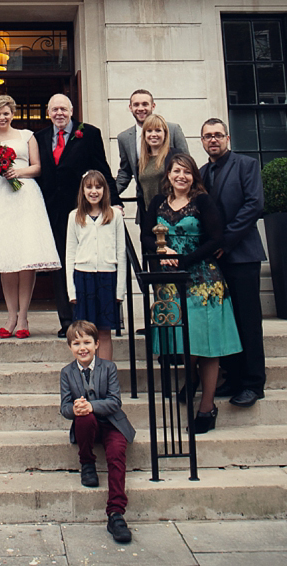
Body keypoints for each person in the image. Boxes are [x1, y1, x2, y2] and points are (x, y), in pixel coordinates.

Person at [141, 154, 242, 433]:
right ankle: (192, 378)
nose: (181, 176)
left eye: (186, 172)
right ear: (169, 175)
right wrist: (163, 251)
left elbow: (216, 238)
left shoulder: (202, 202)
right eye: (176, 171)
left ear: (193, 176)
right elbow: (146, 236)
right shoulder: (158, 203)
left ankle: (207, 408)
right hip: (171, 283)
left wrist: (186, 259)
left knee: (207, 345)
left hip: (203, 281)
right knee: (187, 341)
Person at [0, 95, 60, 338]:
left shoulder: (27, 136)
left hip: (25, 195)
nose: (2, 117)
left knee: (25, 256)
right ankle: (11, 315)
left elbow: (38, 166)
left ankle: (23, 317)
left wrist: (16, 171)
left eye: (6, 112)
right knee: (5, 258)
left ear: (13, 113)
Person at [36, 93, 121, 337]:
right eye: (54, 110)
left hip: (84, 211)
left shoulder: (89, 133)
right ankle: (67, 321)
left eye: (63, 109)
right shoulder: (40, 137)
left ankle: (90, 318)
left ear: (72, 110)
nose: (59, 113)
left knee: (83, 261)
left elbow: (102, 169)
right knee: (60, 263)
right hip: (52, 211)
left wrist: (114, 202)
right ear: (48, 113)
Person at [200, 119, 266, 407]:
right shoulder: (201, 173)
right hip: (216, 262)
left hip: (242, 255)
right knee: (225, 323)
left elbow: (254, 205)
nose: (213, 140)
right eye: (207, 136)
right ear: (202, 141)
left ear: (227, 137)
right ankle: (234, 378)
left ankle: (253, 383)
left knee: (248, 321)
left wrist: (225, 242)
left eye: (217, 135)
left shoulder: (246, 165)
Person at [60, 321, 135, 544]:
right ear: (70, 347)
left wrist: (93, 406)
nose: (82, 348)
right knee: (83, 418)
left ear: (97, 344)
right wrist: (74, 409)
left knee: (116, 454)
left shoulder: (108, 368)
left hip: (112, 423)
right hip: (88, 423)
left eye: (87, 342)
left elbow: (115, 402)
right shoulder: (66, 373)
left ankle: (116, 513)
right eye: (76, 343)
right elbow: (64, 407)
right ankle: (87, 462)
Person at [66, 171, 126, 361]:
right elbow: (70, 253)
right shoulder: (74, 216)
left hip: (107, 278)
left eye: (98, 187)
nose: (94, 191)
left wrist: (120, 290)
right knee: (84, 333)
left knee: (104, 332)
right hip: (83, 278)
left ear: (104, 190)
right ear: (83, 190)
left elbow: (121, 253)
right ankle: (87, 378)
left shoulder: (114, 215)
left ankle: (105, 378)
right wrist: (71, 290)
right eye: (89, 187)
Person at [116, 89, 189, 214]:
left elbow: (187, 165)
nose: (140, 108)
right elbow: (125, 172)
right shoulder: (124, 138)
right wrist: (109, 195)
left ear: (153, 106)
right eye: (136, 105)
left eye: (145, 104)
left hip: (175, 205)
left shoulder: (173, 129)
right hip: (146, 207)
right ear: (130, 107)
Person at [137, 114, 182, 220]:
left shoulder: (175, 156)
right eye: (149, 131)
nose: (153, 134)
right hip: (149, 216)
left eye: (158, 130)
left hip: (171, 215)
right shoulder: (142, 161)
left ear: (165, 133)